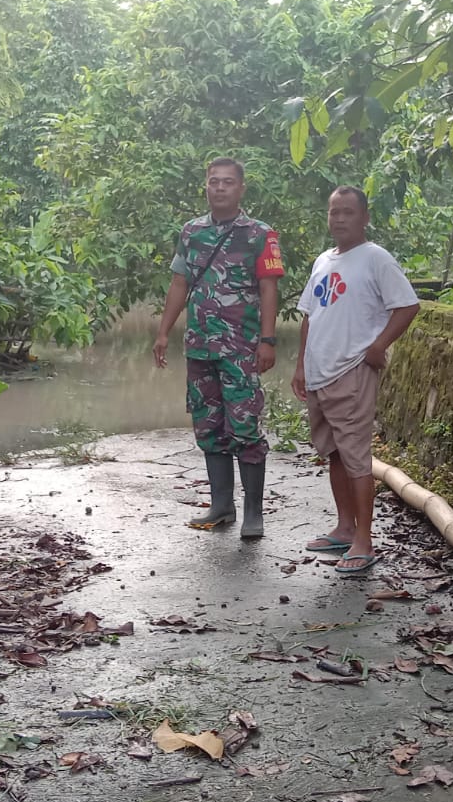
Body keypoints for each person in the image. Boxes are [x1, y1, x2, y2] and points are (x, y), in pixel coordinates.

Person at [291, 185, 420, 576]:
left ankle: (364, 539)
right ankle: (344, 528)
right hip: (319, 372)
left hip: (351, 371)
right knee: (333, 452)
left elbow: (408, 305)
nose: (340, 218)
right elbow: (310, 317)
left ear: (364, 218)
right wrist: (301, 367)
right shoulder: (322, 261)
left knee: (356, 457)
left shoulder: (376, 258)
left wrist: (379, 346)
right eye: (334, 212)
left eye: (348, 212)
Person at [154, 157, 284, 537]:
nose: (220, 187)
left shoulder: (260, 234)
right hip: (200, 347)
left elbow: (268, 287)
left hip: (241, 348)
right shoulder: (191, 232)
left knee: (245, 426)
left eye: (228, 182)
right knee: (208, 425)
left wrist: (268, 339)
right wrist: (164, 331)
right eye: (214, 182)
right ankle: (222, 505)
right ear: (206, 187)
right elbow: (180, 283)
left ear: (241, 188)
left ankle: (254, 513)